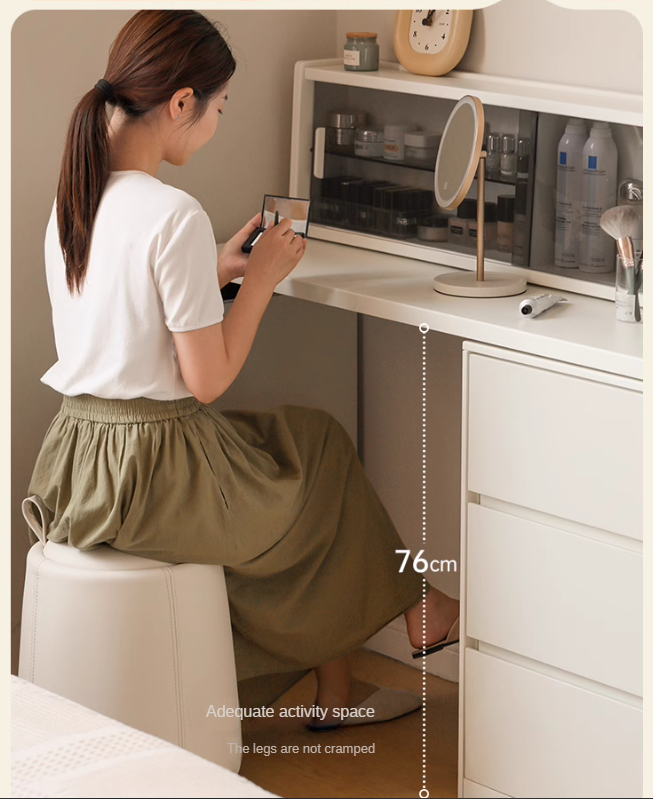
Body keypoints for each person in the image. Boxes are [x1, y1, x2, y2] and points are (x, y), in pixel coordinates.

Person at [26, 9, 459, 730]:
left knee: (302, 443)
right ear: (181, 103)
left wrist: (217, 271)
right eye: (219, 108)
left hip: (77, 460)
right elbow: (208, 381)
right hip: (154, 472)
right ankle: (406, 619)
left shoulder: (74, 199)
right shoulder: (172, 213)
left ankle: (354, 671)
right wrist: (258, 281)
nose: (217, 125)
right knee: (315, 452)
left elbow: (128, 328)